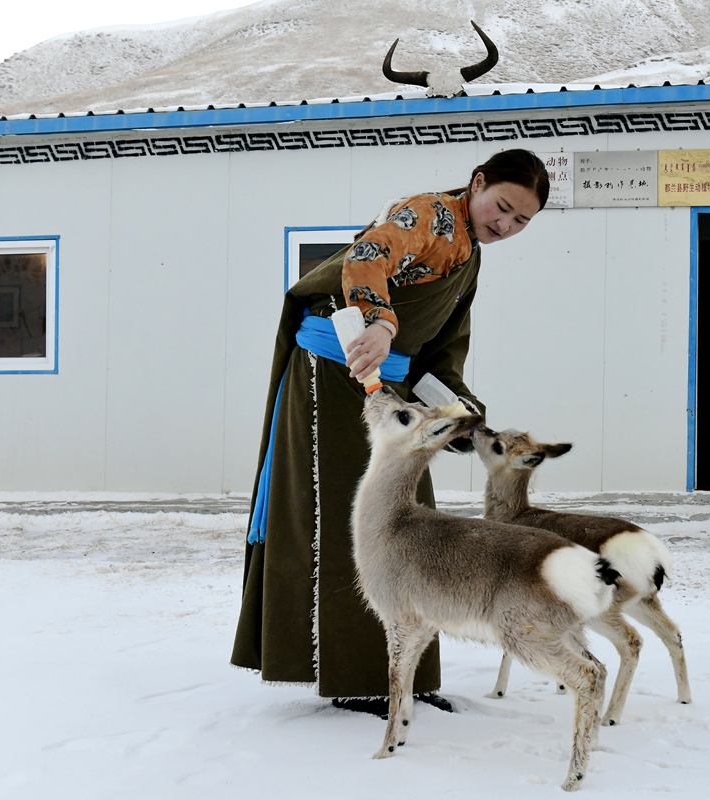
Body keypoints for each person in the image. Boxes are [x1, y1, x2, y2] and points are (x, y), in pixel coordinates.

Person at [231, 149, 550, 715]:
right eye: (501, 207)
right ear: (477, 184)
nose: (505, 225)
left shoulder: (470, 255)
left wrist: (458, 413)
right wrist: (379, 319)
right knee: (356, 520)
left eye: (521, 222)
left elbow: (438, 351)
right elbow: (368, 255)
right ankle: (356, 677)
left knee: (412, 524)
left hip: (391, 390)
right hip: (334, 376)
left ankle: (407, 674)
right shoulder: (428, 214)